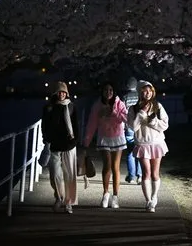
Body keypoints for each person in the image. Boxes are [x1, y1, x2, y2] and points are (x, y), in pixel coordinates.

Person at [83, 82, 128, 209]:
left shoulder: (119, 103)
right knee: (107, 165)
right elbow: (92, 124)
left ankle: (115, 196)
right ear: (102, 92)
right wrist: (86, 141)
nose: (108, 92)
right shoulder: (97, 105)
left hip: (118, 137)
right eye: (106, 90)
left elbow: (126, 118)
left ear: (113, 92)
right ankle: (105, 194)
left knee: (115, 167)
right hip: (104, 138)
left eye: (111, 90)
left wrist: (115, 113)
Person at [127, 81, 169, 212]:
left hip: (156, 143)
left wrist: (152, 121)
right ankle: (148, 201)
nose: (148, 93)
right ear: (140, 92)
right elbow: (133, 127)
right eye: (144, 91)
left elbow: (165, 124)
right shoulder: (133, 109)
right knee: (146, 173)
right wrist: (141, 113)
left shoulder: (158, 106)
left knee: (155, 173)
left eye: (150, 90)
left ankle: (154, 196)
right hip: (142, 143)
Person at [41, 81, 78, 214]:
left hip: (69, 145)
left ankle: (69, 202)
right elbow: (44, 125)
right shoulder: (49, 107)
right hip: (54, 145)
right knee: (55, 174)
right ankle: (59, 196)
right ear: (55, 93)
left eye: (64, 92)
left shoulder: (71, 107)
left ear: (67, 93)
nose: (61, 94)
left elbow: (75, 125)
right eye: (59, 92)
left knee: (69, 175)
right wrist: (46, 139)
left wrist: (75, 141)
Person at [123, 77, 142, 184]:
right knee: (139, 151)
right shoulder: (140, 97)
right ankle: (140, 175)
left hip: (129, 127)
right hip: (139, 128)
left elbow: (123, 113)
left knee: (130, 152)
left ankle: (132, 176)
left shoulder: (125, 97)